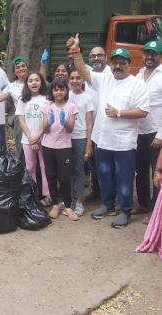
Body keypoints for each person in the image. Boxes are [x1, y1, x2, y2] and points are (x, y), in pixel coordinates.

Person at [68, 34, 150, 228]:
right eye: (115, 63)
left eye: (122, 63)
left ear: (129, 64)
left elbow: (143, 111)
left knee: (124, 178)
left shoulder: (137, 84)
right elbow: (83, 72)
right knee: (104, 175)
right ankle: (108, 205)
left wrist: (119, 112)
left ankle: (125, 210)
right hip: (102, 139)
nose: (118, 66)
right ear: (110, 64)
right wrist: (76, 51)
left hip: (124, 143)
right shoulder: (105, 78)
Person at [41, 79, 79, 221]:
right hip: (48, 146)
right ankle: (55, 205)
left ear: (66, 91)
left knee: (64, 177)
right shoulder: (47, 106)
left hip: (64, 147)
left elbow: (70, 129)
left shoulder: (71, 107)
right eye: (56, 89)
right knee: (51, 176)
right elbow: (44, 129)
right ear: (52, 91)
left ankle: (68, 206)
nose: (59, 92)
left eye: (62, 89)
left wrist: (64, 122)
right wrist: (49, 122)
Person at [14, 72, 51, 207]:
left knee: (44, 167)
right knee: (30, 167)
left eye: (37, 80)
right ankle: (32, 193)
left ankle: (48, 195)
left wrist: (38, 136)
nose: (34, 83)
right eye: (31, 81)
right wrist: (31, 138)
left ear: (41, 82)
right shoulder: (23, 100)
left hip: (44, 138)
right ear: (27, 84)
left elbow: (47, 121)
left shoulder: (47, 99)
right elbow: (21, 120)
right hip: (27, 139)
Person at [135, 41, 162, 223]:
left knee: (157, 172)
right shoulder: (138, 74)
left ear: (160, 56)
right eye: (147, 53)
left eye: (154, 53)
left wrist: (160, 134)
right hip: (138, 131)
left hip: (155, 132)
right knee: (141, 170)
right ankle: (144, 203)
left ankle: (155, 211)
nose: (149, 56)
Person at [84, 46, 111, 203]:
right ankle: (96, 190)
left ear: (106, 57)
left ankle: (108, 194)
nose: (96, 58)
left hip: (106, 125)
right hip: (89, 125)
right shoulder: (89, 74)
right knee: (92, 159)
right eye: (93, 56)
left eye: (99, 55)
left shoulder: (110, 73)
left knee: (106, 162)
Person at [68, 69, 94, 216]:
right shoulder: (66, 95)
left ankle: (79, 200)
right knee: (68, 169)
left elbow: (89, 123)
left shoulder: (87, 98)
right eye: (72, 78)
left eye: (78, 78)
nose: (75, 81)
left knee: (79, 169)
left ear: (83, 80)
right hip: (65, 138)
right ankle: (70, 198)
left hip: (80, 138)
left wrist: (88, 143)